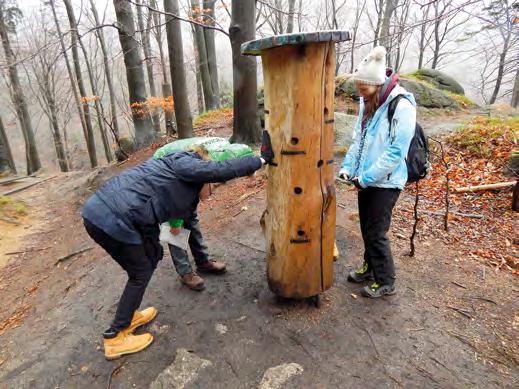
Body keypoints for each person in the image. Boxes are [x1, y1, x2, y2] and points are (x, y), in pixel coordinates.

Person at [82, 143, 274, 359]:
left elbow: (155, 209)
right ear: (204, 176)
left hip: (111, 213)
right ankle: (115, 337)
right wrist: (261, 160)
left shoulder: (180, 174)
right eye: (213, 187)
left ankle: (129, 317)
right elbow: (220, 170)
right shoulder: (191, 167)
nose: (213, 193)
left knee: (150, 259)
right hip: (109, 217)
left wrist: (154, 246)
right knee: (140, 272)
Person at [339, 46, 416, 298]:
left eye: (364, 88)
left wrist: (366, 177)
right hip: (366, 179)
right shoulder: (367, 101)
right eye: (358, 88)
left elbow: (396, 152)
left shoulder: (401, 105)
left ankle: (385, 281)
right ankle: (370, 268)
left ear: (378, 84)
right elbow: (358, 139)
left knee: (376, 231)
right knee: (366, 228)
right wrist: (347, 168)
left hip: (388, 181)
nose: (359, 93)